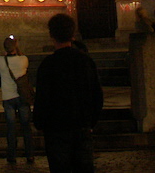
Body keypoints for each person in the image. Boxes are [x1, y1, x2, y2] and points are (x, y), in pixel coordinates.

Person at [34, 14, 103, 173]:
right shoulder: (85, 61)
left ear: (51, 35)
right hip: (81, 127)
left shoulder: (47, 65)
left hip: (56, 131)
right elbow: (97, 95)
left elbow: (42, 99)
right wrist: (90, 122)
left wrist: (40, 123)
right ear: (72, 34)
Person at [0, 35, 34, 165]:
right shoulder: (24, 59)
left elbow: (3, 57)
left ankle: (11, 155)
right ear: (15, 47)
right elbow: (22, 59)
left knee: (11, 128)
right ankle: (29, 155)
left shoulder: (0, 61)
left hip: (8, 98)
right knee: (26, 127)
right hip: (22, 97)